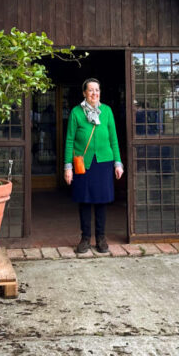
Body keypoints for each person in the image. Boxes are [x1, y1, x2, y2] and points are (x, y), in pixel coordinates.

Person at [64, 78, 124, 253]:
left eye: (97, 90)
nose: (94, 93)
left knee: (101, 201)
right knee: (84, 200)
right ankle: (85, 239)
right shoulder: (76, 112)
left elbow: (113, 138)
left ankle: (101, 238)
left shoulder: (106, 111)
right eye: (90, 90)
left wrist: (118, 163)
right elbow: (69, 141)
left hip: (104, 162)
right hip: (83, 163)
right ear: (84, 93)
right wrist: (68, 167)